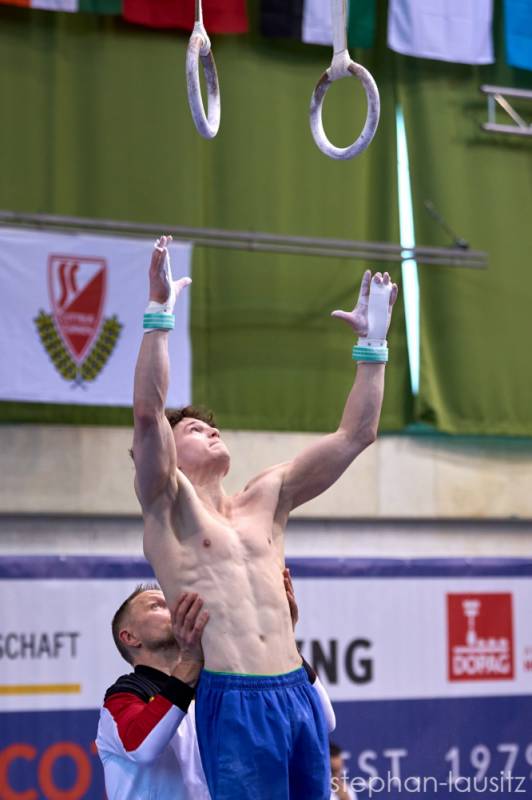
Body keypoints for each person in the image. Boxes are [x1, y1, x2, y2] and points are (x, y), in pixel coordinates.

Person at [132, 235, 397, 799]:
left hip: (296, 690)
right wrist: (159, 314)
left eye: (213, 426)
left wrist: (373, 344)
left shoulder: (269, 495)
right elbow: (148, 413)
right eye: (194, 429)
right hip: (234, 699)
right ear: (169, 451)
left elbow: (357, 434)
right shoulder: (166, 503)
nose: (211, 430)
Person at [95, 572, 336, 799]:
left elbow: (323, 721)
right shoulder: (123, 696)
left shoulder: (218, 688)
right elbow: (141, 747)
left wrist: (283, 644)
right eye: (157, 605)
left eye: (171, 601)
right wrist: (190, 663)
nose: (174, 608)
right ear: (130, 637)